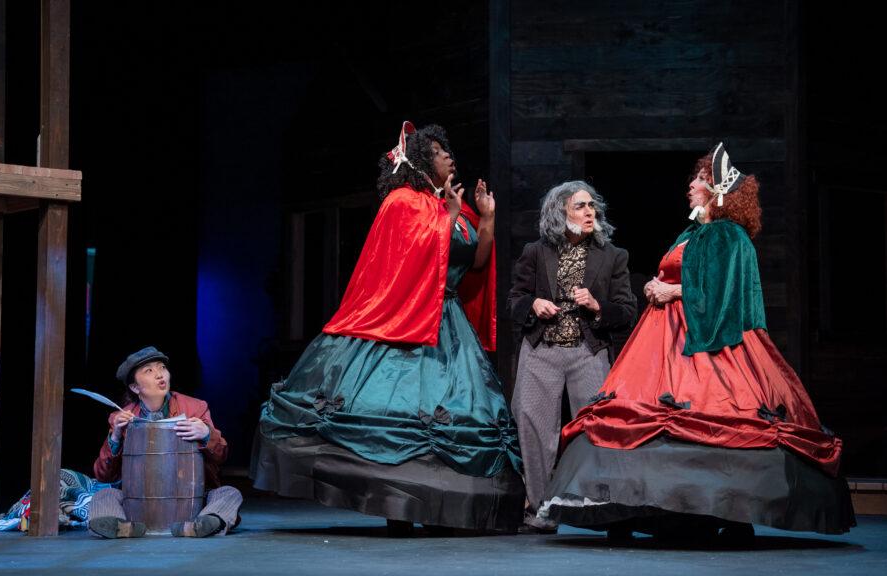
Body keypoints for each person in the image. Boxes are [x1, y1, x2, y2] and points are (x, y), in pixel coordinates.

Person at [539, 143, 855, 540]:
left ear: (717, 190)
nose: (691, 185)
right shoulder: (694, 232)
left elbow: (724, 290)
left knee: (716, 413)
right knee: (637, 414)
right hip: (661, 340)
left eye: (700, 180)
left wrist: (675, 292)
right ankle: (630, 509)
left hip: (707, 342)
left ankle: (725, 511)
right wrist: (657, 287)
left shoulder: (727, 234)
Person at [252, 122, 523, 534]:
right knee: (398, 407)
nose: (448, 155)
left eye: (447, 149)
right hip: (405, 319)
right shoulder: (402, 202)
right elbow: (410, 261)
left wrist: (485, 217)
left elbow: (477, 264)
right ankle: (396, 506)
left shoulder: (453, 207)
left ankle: (446, 510)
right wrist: (447, 217)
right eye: (437, 150)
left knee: (454, 409)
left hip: (448, 322)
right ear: (419, 161)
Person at [507, 180, 636, 531]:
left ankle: (605, 509)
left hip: (587, 349)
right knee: (533, 427)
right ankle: (538, 508)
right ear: (559, 211)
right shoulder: (536, 251)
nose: (589, 211)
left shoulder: (612, 256)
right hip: (541, 349)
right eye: (580, 206)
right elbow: (514, 300)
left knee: (597, 428)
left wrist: (598, 306)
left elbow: (627, 310)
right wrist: (533, 303)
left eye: (592, 206)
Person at [88, 346, 243, 538]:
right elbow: (104, 475)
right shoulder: (122, 418)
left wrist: (206, 434)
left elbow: (221, 456)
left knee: (229, 493)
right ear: (135, 387)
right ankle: (122, 528)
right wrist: (116, 436)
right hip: (139, 501)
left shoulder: (194, 407)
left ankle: (201, 524)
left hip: (191, 498)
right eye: (149, 371)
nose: (160, 375)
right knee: (104, 495)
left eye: (162, 368)